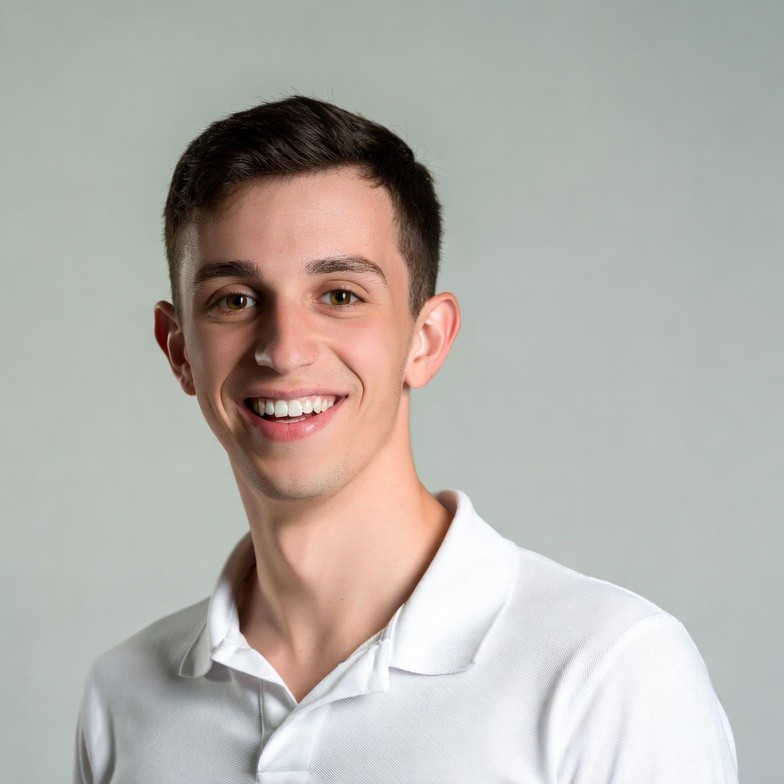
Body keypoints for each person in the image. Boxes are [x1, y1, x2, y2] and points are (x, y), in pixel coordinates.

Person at [75, 96, 738, 783]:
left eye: (340, 295)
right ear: (178, 350)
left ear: (427, 340)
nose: (284, 349)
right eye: (235, 300)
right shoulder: (124, 697)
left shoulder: (608, 674)